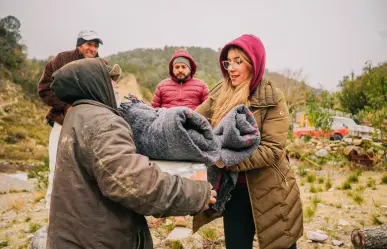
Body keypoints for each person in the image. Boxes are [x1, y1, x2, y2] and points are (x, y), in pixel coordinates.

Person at [47, 58, 216, 249]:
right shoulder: (104, 123)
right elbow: (136, 184)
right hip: (100, 240)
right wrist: (197, 193)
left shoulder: (77, 114)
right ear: (94, 82)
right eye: (109, 79)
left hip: (78, 234)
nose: (116, 85)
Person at [195, 34, 303, 249]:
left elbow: (272, 149)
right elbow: (194, 120)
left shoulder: (273, 97)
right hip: (235, 189)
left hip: (270, 188)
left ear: (255, 64)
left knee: (280, 242)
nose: (231, 68)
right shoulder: (220, 94)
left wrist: (226, 160)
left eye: (238, 61)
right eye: (228, 62)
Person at [37, 29, 104, 210]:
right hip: (63, 122)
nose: (93, 48)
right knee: (56, 167)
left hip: (89, 126)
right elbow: (44, 89)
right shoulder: (60, 60)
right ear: (79, 44)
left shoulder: (100, 65)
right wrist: (66, 107)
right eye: (89, 44)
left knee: (87, 171)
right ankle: (52, 213)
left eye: (96, 45)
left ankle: (80, 213)